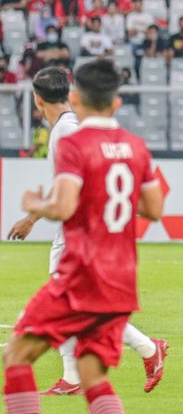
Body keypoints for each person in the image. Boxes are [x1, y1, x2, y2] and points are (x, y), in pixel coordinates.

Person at [2, 60, 165, 414]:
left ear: (75, 98)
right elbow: (153, 208)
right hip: (121, 274)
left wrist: (36, 208)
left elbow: (64, 205)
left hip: (83, 266)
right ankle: (87, 370)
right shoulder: (135, 145)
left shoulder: (74, 139)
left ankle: (148, 349)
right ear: (117, 102)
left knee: (15, 355)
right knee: (93, 373)